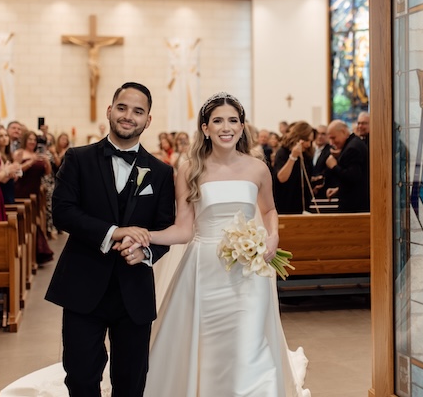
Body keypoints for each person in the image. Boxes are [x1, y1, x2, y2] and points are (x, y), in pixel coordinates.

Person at [119, 92, 310, 397]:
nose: (226, 127)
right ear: (205, 128)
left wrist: (272, 236)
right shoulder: (189, 170)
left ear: (242, 126)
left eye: (233, 120)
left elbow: (269, 210)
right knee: (208, 344)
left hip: (250, 271)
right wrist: (146, 235)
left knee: (250, 342)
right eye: (218, 120)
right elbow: (183, 229)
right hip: (204, 269)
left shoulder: (258, 168)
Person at [45, 82, 176, 397]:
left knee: (131, 382)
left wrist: (145, 252)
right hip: (82, 285)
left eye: (137, 111)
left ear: (148, 120)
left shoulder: (159, 172)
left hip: (134, 291)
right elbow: (62, 212)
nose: (128, 116)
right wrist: (113, 232)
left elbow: (165, 228)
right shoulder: (78, 158)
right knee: (80, 377)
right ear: (109, 110)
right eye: (122, 107)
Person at [14, 130, 55, 263]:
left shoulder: (38, 154)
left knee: (33, 223)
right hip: (22, 190)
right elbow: (17, 171)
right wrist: (32, 161)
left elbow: (47, 173)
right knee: (25, 223)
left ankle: (35, 254)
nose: (32, 142)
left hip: (35, 192)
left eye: (34, 140)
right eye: (30, 139)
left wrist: (47, 162)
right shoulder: (19, 153)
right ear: (25, 140)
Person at [325, 120, 370, 212]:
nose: (331, 143)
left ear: (343, 132)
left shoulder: (352, 148)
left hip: (354, 207)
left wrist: (334, 166)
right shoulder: (353, 143)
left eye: (333, 138)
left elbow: (353, 177)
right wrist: (339, 190)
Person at [273, 121, 314, 214]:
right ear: (298, 138)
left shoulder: (307, 154)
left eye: (311, 141)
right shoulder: (283, 152)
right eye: (307, 140)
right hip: (285, 204)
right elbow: (281, 178)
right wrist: (293, 157)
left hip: (303, 205)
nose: (309, 144)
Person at [0, 126, 20, 205]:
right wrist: (10, 172)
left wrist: (15, 173)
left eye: (6, 135)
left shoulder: (9, 155)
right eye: (1, 136)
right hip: (2, 189)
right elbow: (1, 179)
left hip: (10, 189)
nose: (4, 138)